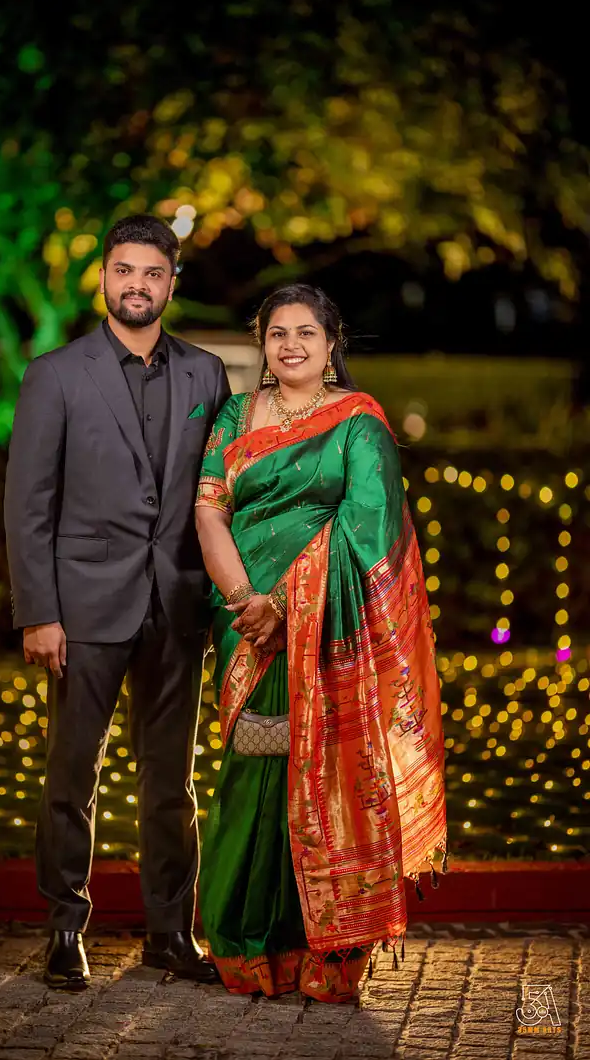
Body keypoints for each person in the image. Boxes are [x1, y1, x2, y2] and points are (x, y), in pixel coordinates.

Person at [195, 283, 447, 1002]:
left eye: (306, 332)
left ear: (331, 342)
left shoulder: (358, 422)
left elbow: (369, 525)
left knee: (331, 776)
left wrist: (290, 603)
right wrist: (247, 602)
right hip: (243, 621)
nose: (292, 345)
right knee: (252, 773)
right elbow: (209, 511)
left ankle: (327, 950)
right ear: (262, 342)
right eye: (278, 333)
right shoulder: (235, 414)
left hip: (330, 631)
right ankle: (246, 944)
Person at [4, 214, 231, 989]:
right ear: (103, 277)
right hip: (82, 611)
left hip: (179, 605)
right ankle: (66, 929)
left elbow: (217, 492)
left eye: (153, 273)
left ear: (172, 282)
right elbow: (28, 504)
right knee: (71, 777)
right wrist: (39, 612)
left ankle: (171, 934)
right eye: (124, 271)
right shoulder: (55, 374)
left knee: (172, 784)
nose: (138, 285)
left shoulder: (206, 374)